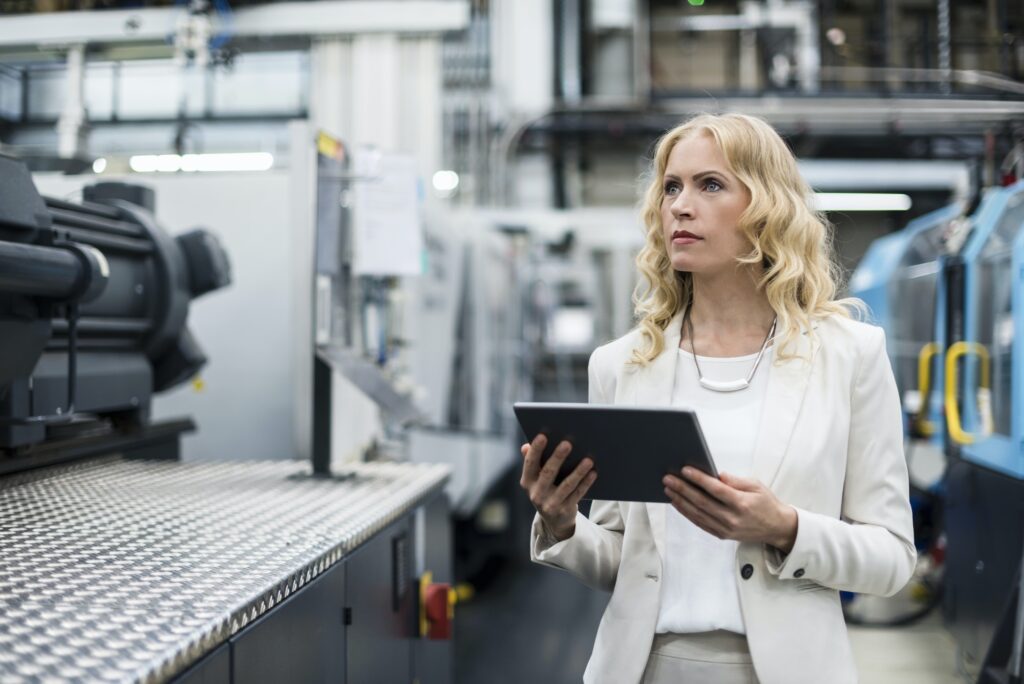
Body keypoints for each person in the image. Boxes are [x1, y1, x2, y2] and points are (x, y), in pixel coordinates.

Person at [519, 113, 916, 684]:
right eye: (671, 188)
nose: (680, 205)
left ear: (767, 206)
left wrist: (784, 527)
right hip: (645, 667)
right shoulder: (622, 365)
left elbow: (892, 559)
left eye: (710, 185)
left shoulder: (849, 356)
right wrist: (560, 523)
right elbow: (619, 560)